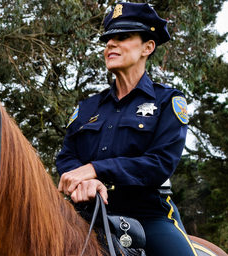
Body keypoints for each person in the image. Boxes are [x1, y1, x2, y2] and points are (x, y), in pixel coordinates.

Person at [55, 2, 196, 256]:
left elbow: (159, 163)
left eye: (123, 37)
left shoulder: (167, 102)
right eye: (108, 39)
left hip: (148, 217)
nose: (111, 44)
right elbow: (66, 157)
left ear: (148, 47)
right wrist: (83, 183)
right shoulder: (87, 108)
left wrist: (96, 170)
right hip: (85, 214)